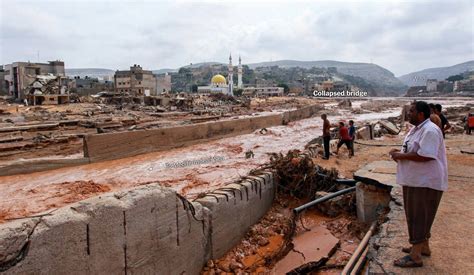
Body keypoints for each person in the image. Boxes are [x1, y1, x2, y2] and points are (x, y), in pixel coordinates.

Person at [389, 101, 447, 268]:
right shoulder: (417, 129)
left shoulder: (430, 130)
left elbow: (426, 155)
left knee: (419, 216)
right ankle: (423, 247)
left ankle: (415, 256)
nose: (409, 113)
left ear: (421, 114)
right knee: (419, 215)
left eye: (412, 111)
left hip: (425, 181)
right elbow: (412, 150)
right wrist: (399, 153)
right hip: (415, 180)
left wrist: (400, 156)